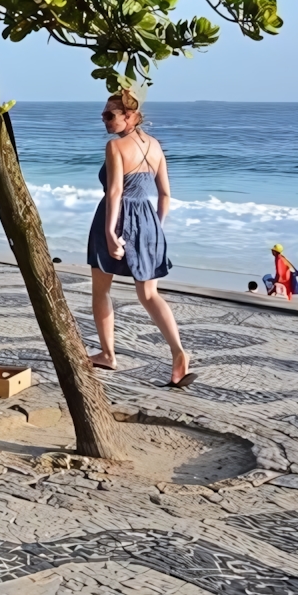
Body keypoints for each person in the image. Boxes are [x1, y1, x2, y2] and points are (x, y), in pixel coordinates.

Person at [85, 91, 194, 387]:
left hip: (116, 216)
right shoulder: (155, 146)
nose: (104, 120)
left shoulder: (116, 146)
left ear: (129, 117)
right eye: (103, 114)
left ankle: (108, 354)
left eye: (110, 115)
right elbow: (165, 195)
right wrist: (154, 227)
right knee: (149, 294)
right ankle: (178, 352)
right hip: (147, 220)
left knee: (101, 289)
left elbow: (115, 192)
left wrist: (110, 233)